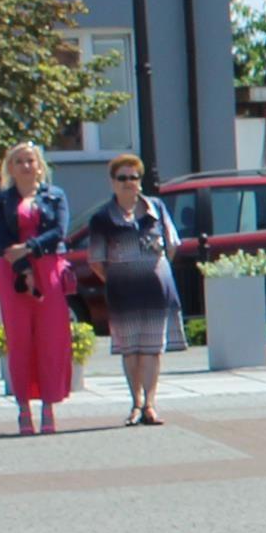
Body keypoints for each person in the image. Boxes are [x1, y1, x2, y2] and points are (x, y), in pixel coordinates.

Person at [76, 154, 183, 426]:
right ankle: (135, 403)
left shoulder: (156, 208)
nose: (128, 183)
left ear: (140, 181)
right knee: (130, 349)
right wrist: (120, 275)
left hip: (156, 290)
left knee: (152, 349)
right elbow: (96, 261)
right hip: (123, 290)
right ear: (112, 182)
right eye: (122, 178)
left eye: (133, 177)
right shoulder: (102, 219)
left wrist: (154, 268)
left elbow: (172, 246)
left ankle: (150, 404)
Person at [0, 142, 77, 436]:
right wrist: (21, 268)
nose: (26, 166)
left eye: (31, 160)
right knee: (20, 340)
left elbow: (59, 232)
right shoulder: (2, 200)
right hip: (13, 271)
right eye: (19, 161)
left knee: (51, 339)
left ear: (40, 165)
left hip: (48, 268)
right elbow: (3, 241)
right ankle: (23, 407)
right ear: (10, 168)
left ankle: (48, 405)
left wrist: (29, 248)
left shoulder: (55, 196)